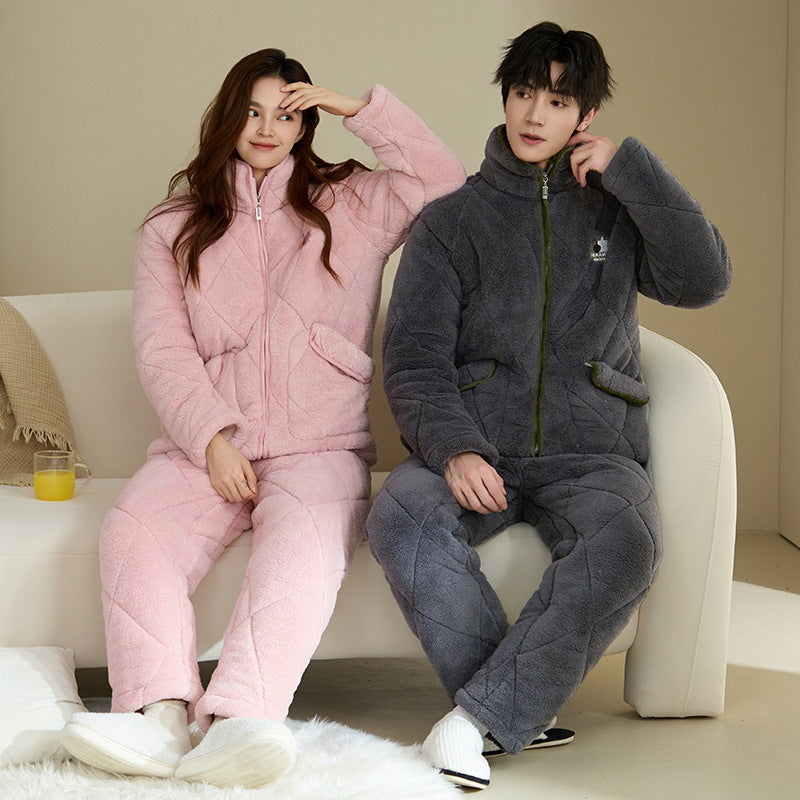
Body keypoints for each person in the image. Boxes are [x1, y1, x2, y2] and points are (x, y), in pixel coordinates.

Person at [60, 48, 464, 789]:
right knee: (134, 530)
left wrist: (357, 108)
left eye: (287, 113)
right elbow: (162, 348)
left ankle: (240, 720)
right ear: (228, 116)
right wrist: (211, 438)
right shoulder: (173, 227)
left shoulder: (353, 203)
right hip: (208, 444)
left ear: (307, 122)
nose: (268, 128)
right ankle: (156, 715)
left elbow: (443, 180)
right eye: (252, 111)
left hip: (321, 445)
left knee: (302, 546)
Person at [366, 21, 731, 790]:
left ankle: (471, 724)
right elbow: (414, 359)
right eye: (525, 93)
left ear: (586, 116)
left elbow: (704, 281)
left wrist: (635, 173)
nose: (535, 114)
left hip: (592, 451)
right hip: (479, 446)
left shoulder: (616, 210)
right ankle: (502, 710)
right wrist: (455, 448)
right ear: (506, 96)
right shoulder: (450, 223)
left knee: (628, 535)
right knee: (401, 513)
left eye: (559, 101)